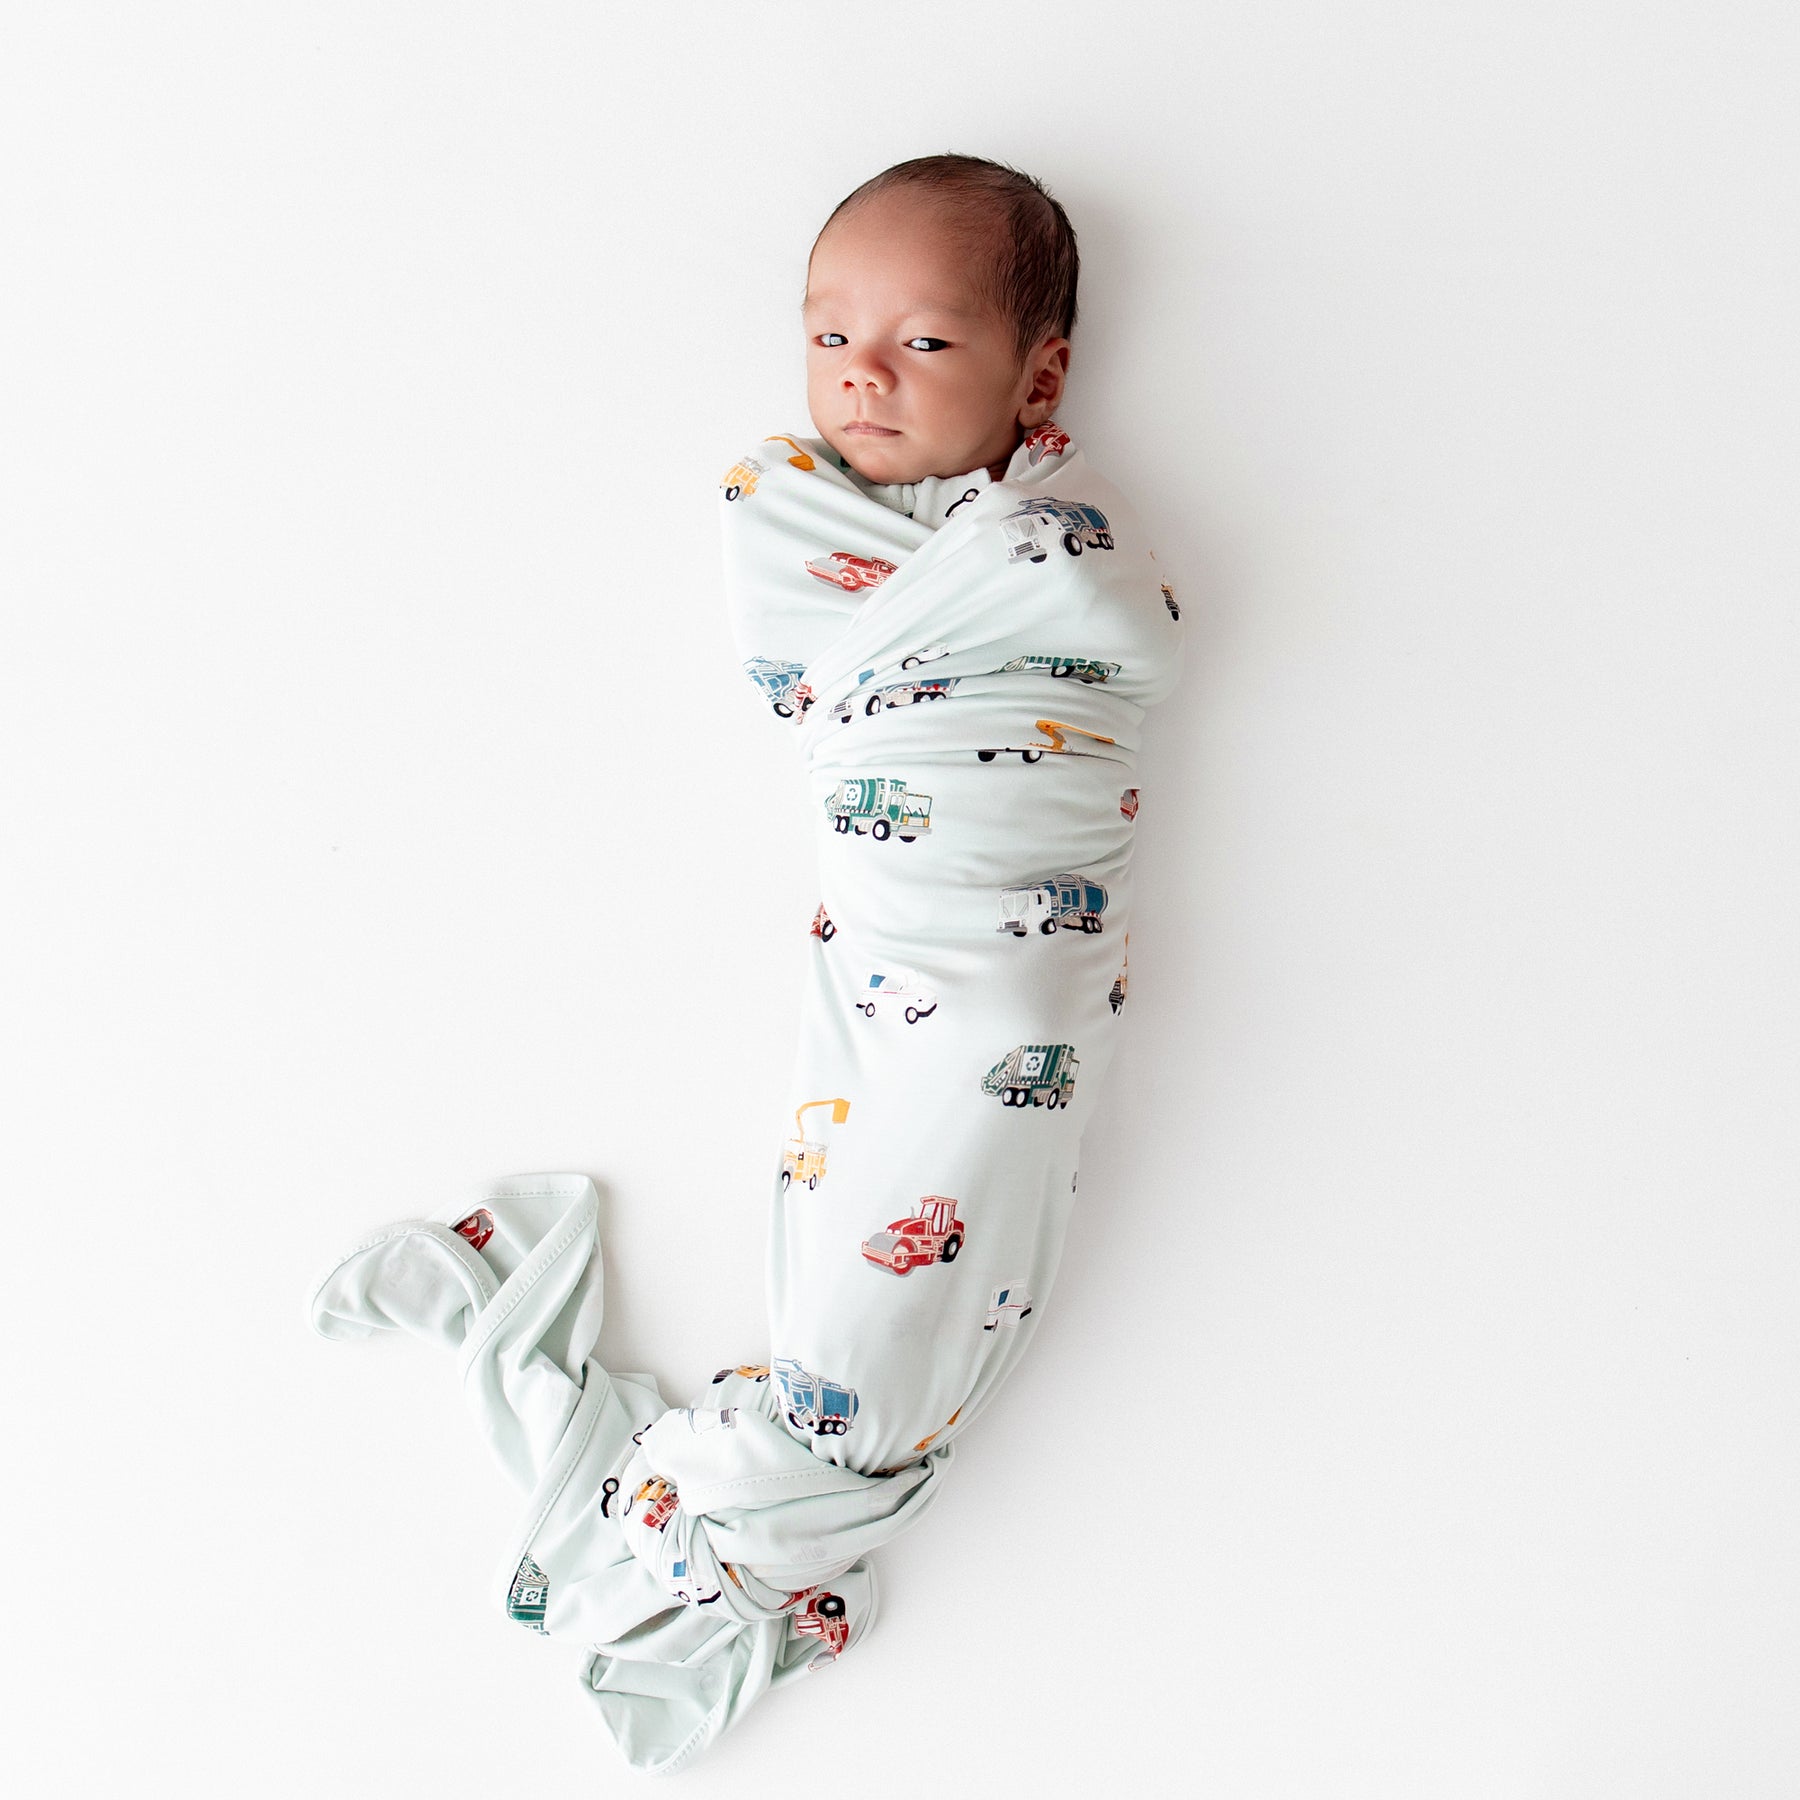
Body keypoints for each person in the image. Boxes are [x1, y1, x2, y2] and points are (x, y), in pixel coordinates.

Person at [309, 151, 1182, 1774]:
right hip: (890, 940)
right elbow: (801, 642)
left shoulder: (1059, 544)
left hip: (1014, 962)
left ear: (1036, 374)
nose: (861, 372)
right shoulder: (789, 510)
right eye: (829, 334)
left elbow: (1117, 631)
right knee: (887, 1256)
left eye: (923, 343)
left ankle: (730, 1512)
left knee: (939, 1227)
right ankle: (749, 1516)